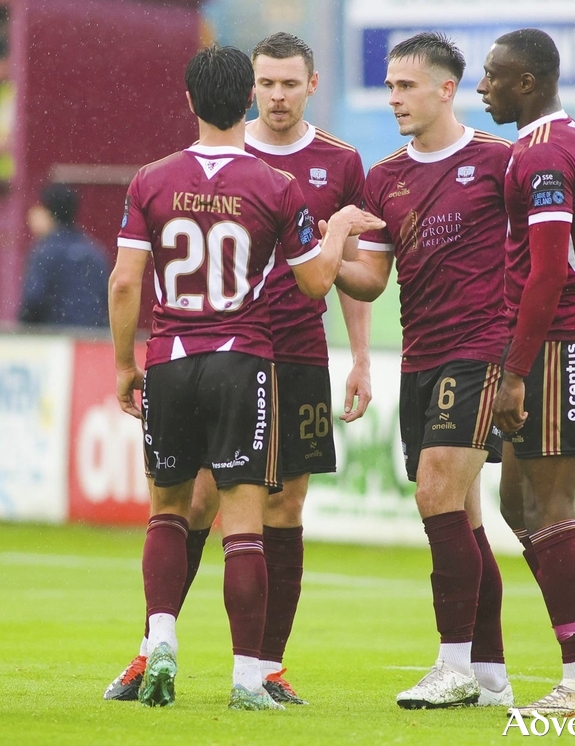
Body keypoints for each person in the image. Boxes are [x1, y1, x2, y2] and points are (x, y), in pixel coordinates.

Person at [108, 44, 382, 710]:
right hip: (244, 357)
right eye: (268, 83)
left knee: (224, 509)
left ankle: (220, 651)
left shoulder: (157, 177)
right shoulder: (268, 182)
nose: (280, 94)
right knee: (229, 516)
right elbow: (319, 275)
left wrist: (123, 363)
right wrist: (339, 227)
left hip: (225, 357)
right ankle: (207, 665)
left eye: (291, 83)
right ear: (249, 94)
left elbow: (123, 281)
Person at [335, 31, 513, 709]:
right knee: (464, 518)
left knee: (436, 494)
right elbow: (371, 280)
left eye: (406, 86)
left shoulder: (500, 163)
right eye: (388, 86)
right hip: (421, 357)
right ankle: (491, 676)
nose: (394, 98)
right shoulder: (384, 178)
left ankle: (454, 664)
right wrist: (325, 247)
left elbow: (544, 248)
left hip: (481, 349)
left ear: (447, 89)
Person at [478, 28, 575, 717]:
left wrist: (514, 370)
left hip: (564, 340)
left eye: (493, 76)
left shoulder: (545, 153)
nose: (484, 88)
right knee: (516, 506)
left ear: (527, 82)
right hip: (550, 342)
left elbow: (547, 275)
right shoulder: (551, 142)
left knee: (550, 508)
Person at [19, 183, 109, 327]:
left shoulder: (44, 252)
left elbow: (33, 300)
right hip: (93, 339)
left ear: (49, 213)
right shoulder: (94, 250)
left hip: (54, 340)